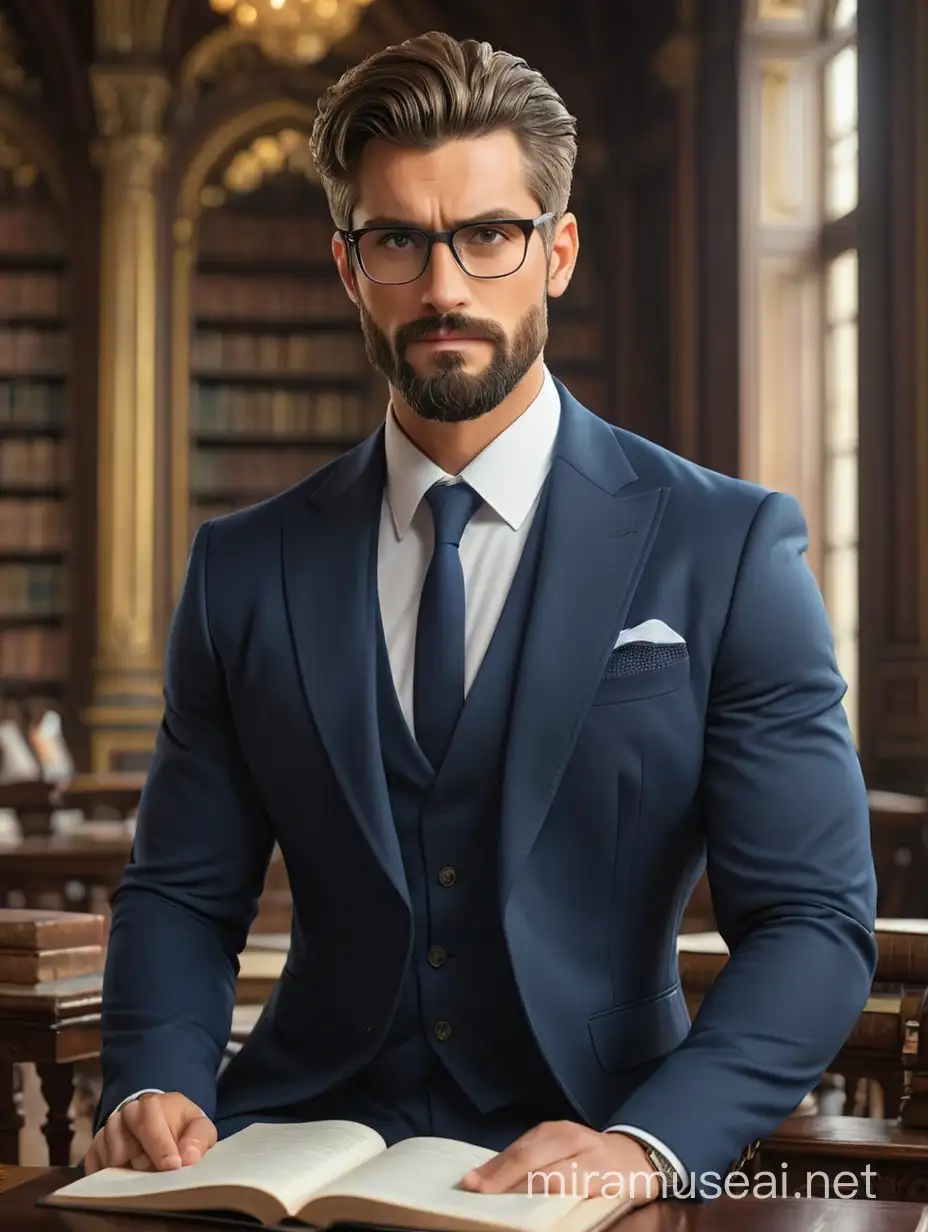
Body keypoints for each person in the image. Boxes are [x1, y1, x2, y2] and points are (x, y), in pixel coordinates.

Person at [85, 29, 877, 1204]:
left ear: (554, 250)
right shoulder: (244, 567)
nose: (444, 286)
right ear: (350, 267)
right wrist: (148, 1076)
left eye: (487, 235)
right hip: (288, 1143)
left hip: (600, 1146)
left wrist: (648, 1143)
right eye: (398, 239)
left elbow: (812, 918)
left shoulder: (726, 547)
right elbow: (184, 891)